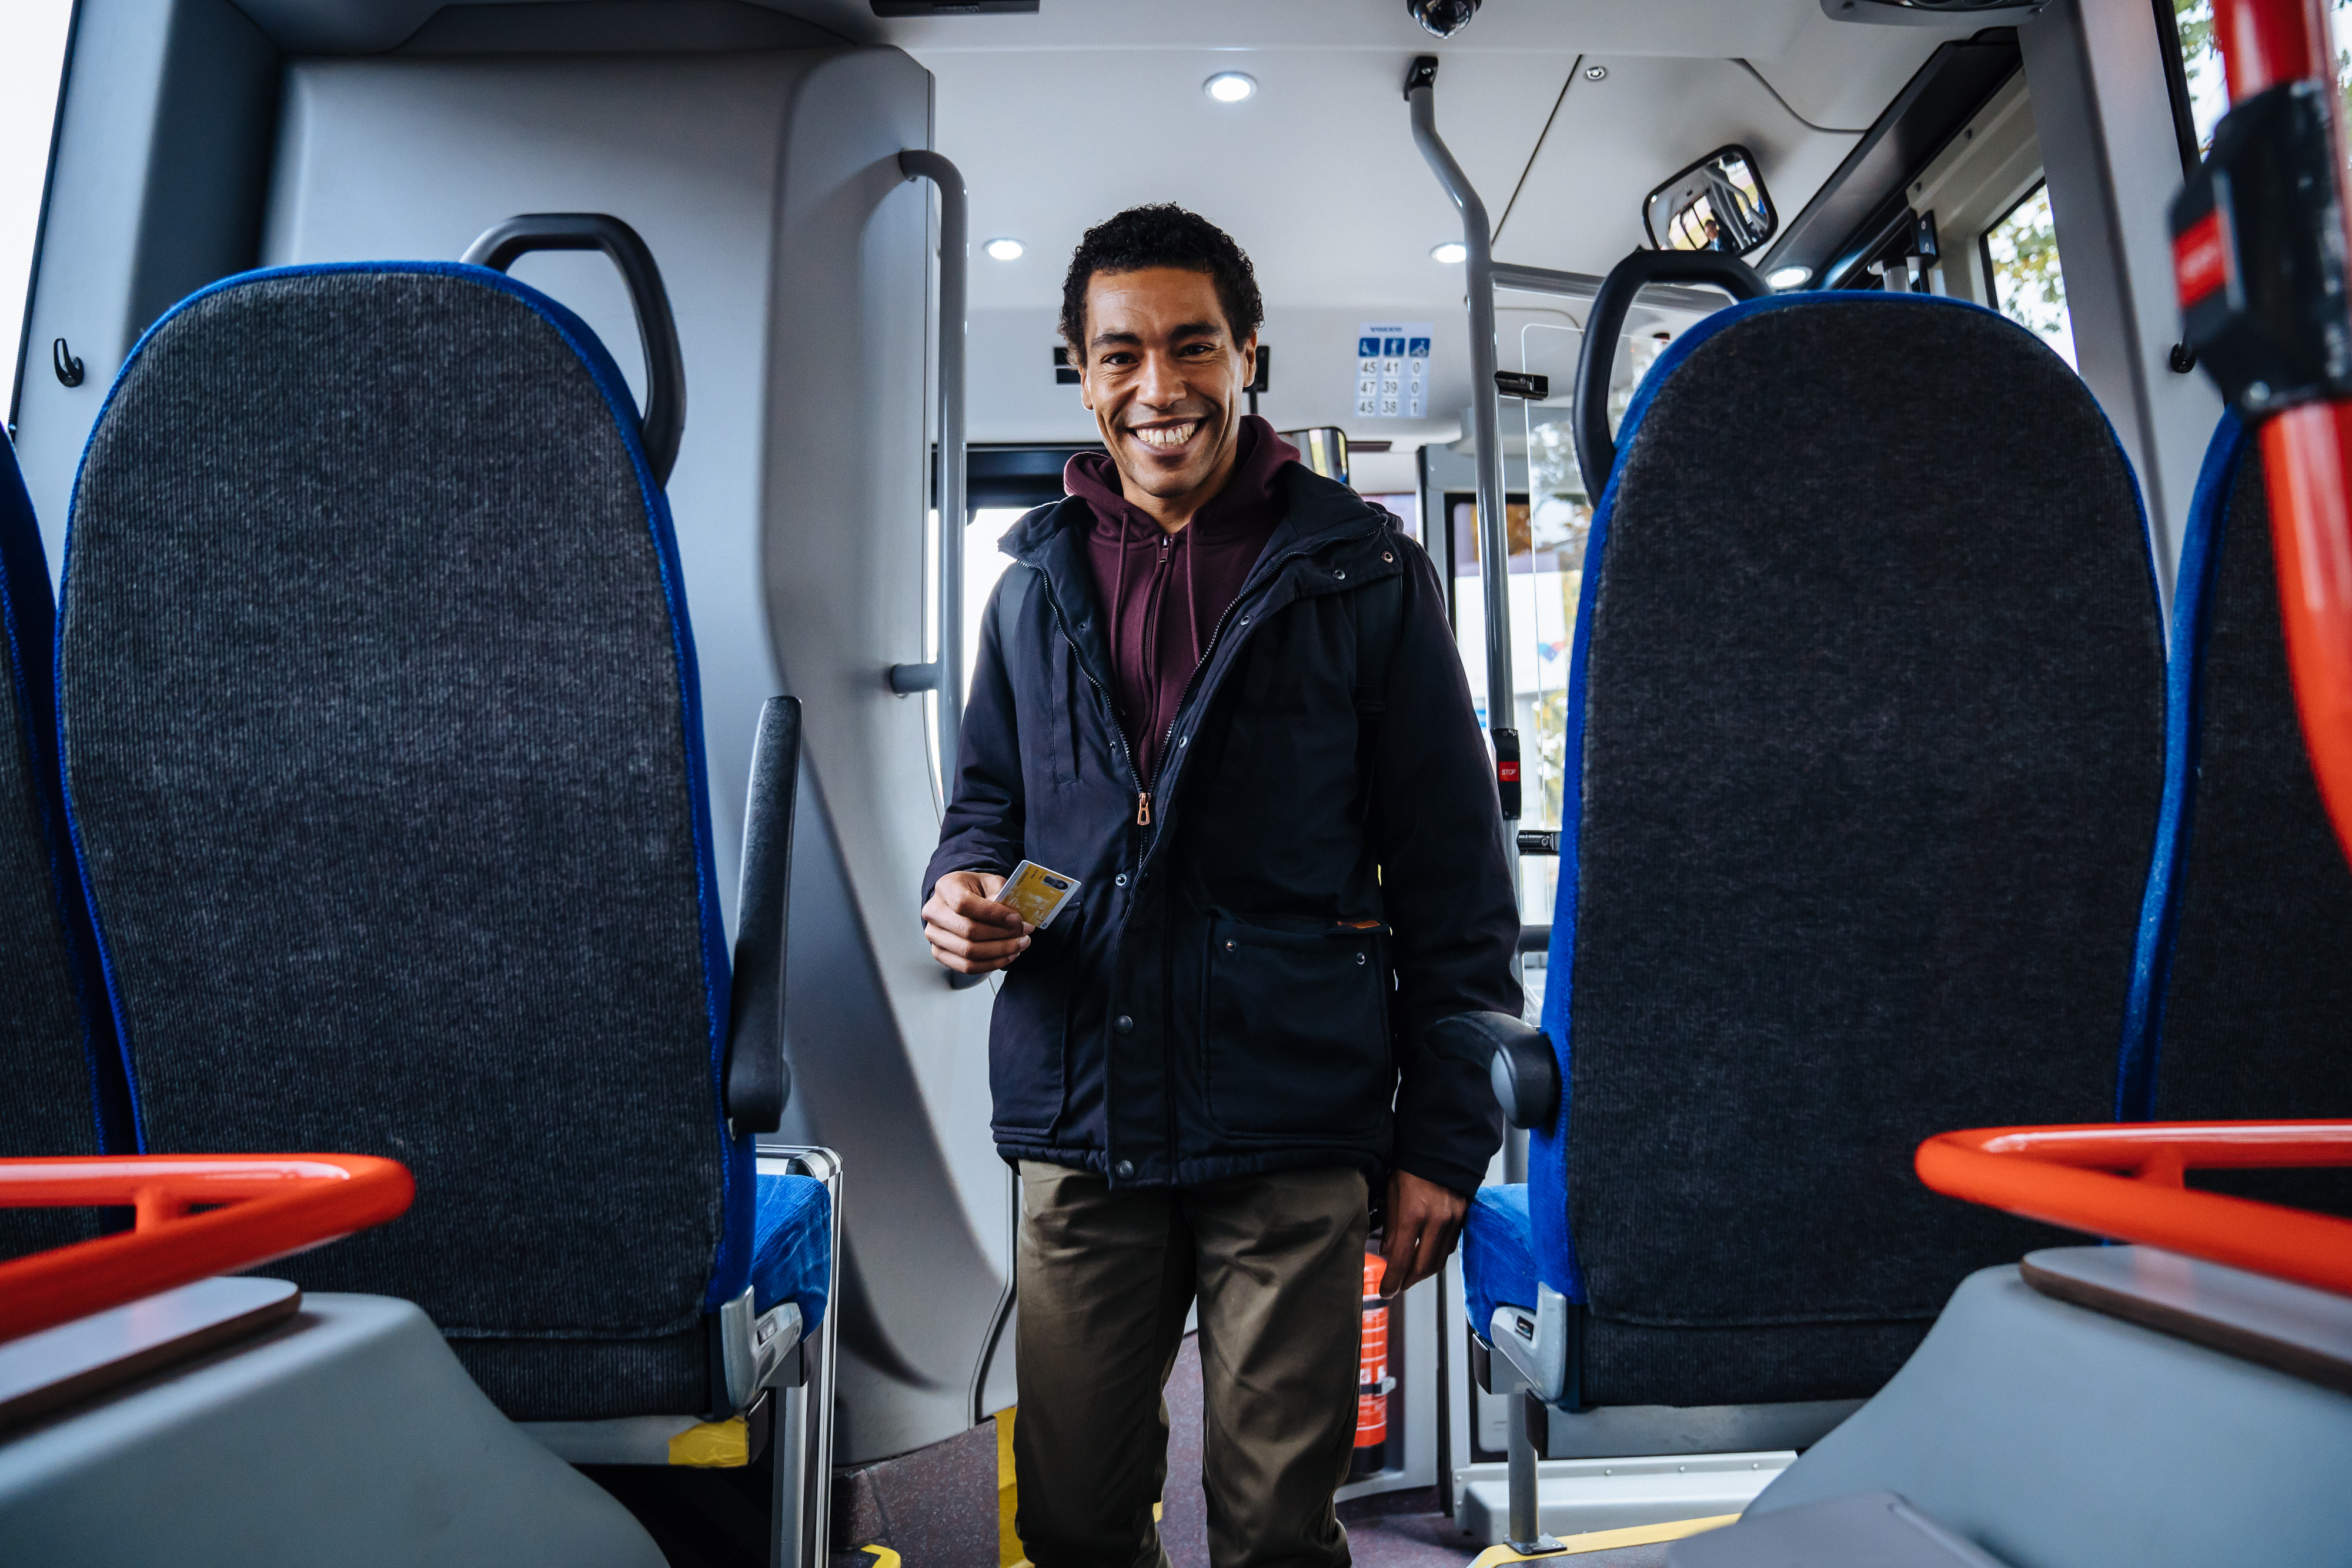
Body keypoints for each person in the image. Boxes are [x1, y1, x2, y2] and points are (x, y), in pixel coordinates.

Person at [920, 204, 1518, 1568]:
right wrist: (957, 889)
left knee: (1270, 1531)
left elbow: (1453, 887)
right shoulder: (1027, 591)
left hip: (1290, 1118)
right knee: (1071, 1517)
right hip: (1081, 1117)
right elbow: (986, 809)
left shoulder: (1363, 575)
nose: (1158, 386)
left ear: (1247, 354)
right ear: (1079, 371)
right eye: (1118, 352)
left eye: (1192, 345)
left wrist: (1439, 1135)